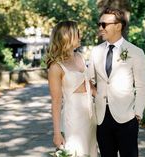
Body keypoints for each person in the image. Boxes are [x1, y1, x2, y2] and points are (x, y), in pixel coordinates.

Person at [89, 8, 145, 157]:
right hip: (102, 118)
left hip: (127, 118)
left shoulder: (135, 52)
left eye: (104, 24)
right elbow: (89, 81)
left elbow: (142, 86)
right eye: (99, 24)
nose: (100, 28)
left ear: (118, 26)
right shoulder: (96, 51)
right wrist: (98, 95)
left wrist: (137, 114)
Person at [46, 21, 97, 157]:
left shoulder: (80, 57)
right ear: (67, 36)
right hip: (73, 120)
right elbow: (56, 102)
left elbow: (90, 87)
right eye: (77, 34)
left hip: (91, 117)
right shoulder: (55, 67)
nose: (80, 36)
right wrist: (57, 133)